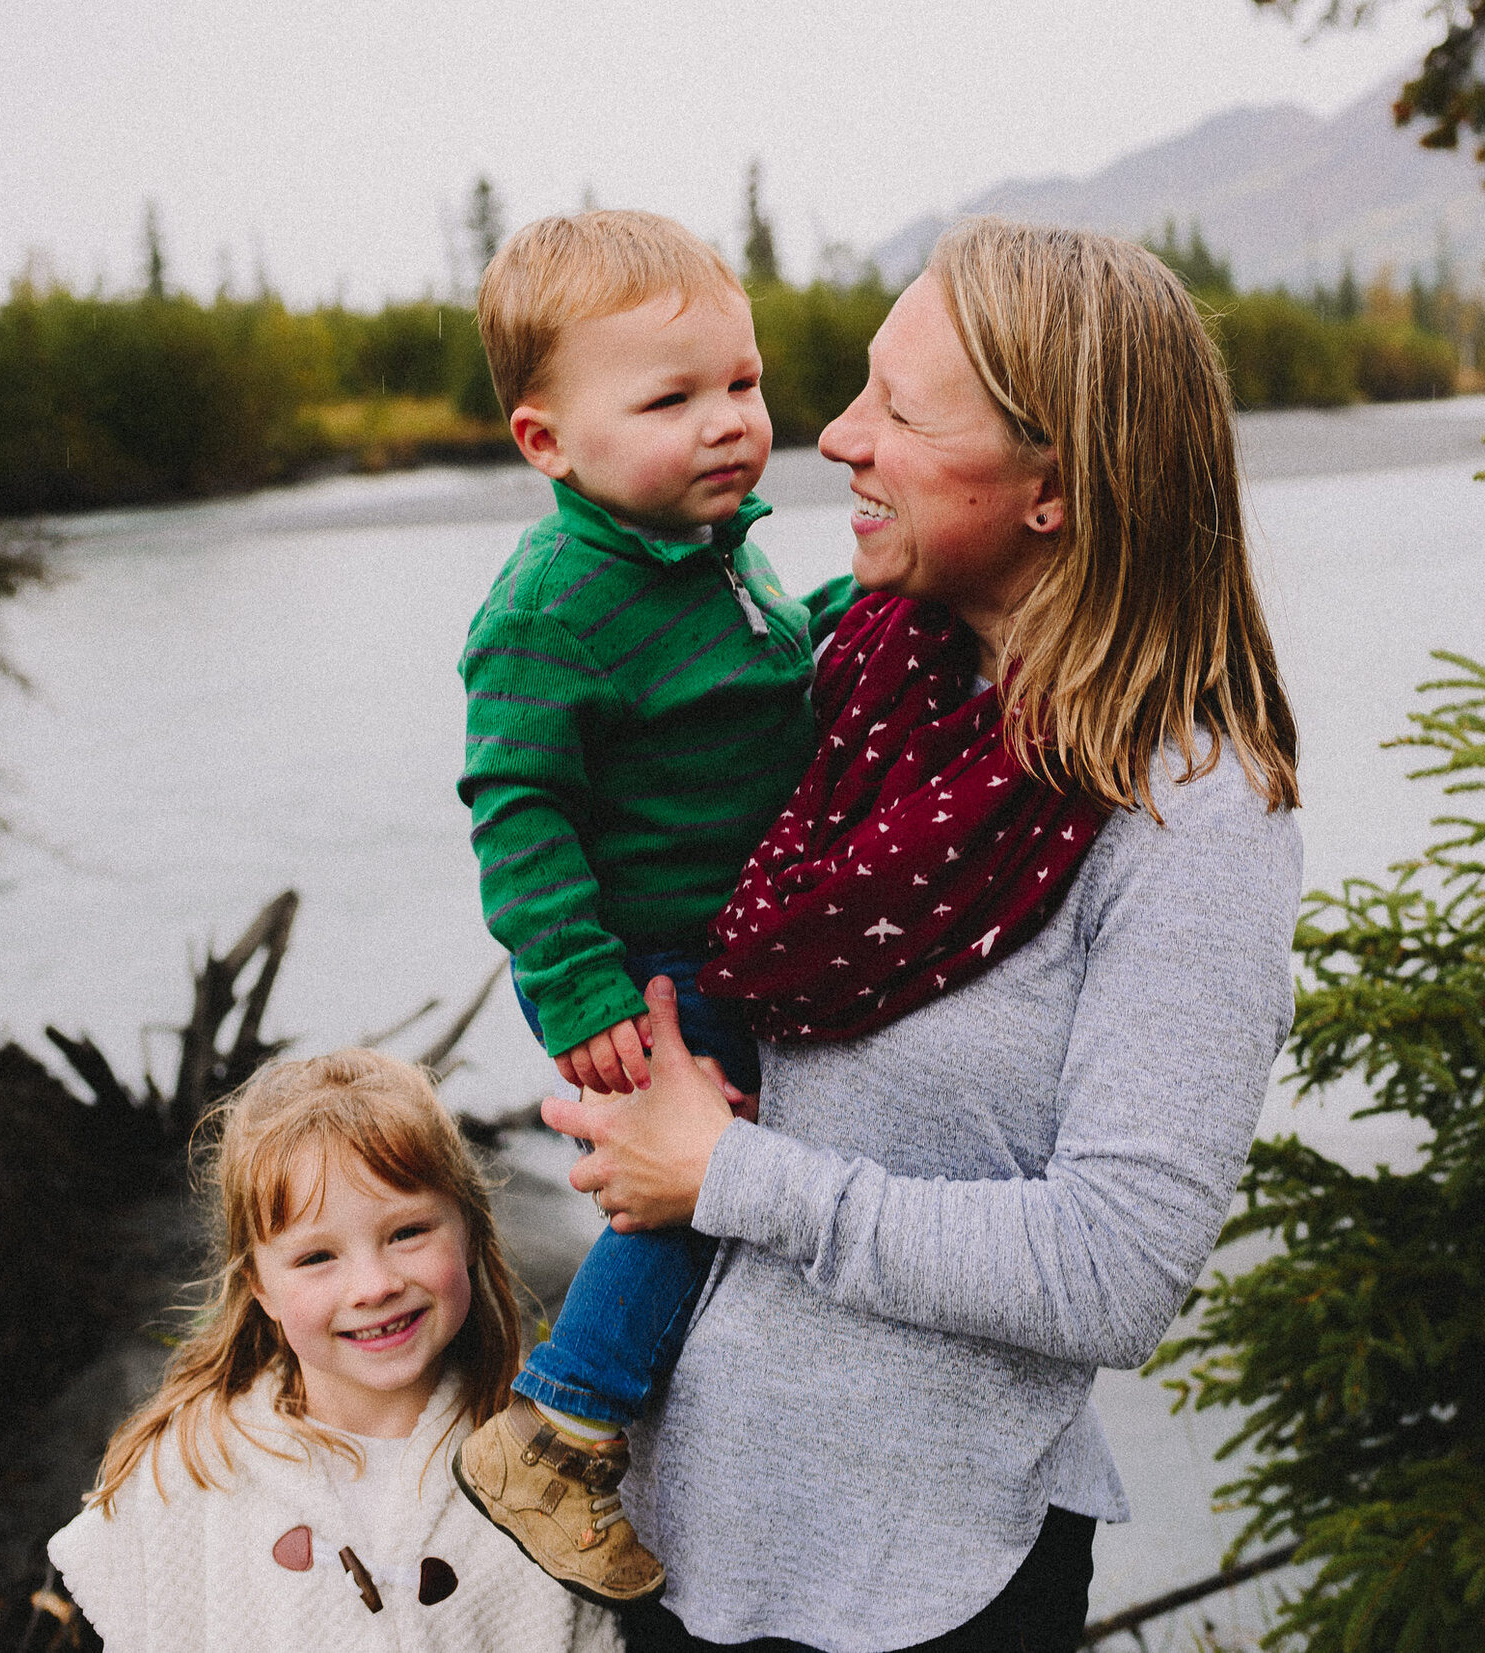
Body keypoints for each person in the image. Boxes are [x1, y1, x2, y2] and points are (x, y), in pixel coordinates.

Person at [545, 218, 1307, 1653]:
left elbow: (1114, 1269)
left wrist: (732, 1175)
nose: (835, 437)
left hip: (928, 1587)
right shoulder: (847, 678)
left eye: (898, 408)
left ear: (1055, 490)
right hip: (677, 1540)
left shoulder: (1192, 815)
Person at [448, 209, 855, 1605]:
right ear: (546, 441)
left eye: (740, 384)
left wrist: (889, 599)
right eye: (671, 399)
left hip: (738, 934)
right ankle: (563, 1421)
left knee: (734, 1173)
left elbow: (774, 674)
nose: (729, 423)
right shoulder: (555, 605)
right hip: (659, 966)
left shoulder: (715, 551)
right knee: (697, 1172)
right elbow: (517, 808)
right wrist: (581, 990)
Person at [45, 1050, 619, 1653]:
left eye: (407, 1233)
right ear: (260, 1286)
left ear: (471, 1231)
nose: (374, 1286)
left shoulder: (544, 1466)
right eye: (318, 1257)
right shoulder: (192, 1467)